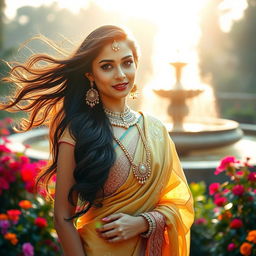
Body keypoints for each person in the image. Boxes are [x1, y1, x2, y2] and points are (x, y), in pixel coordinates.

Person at [1, 25, 194, 256]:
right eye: (107, 66)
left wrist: (144, 222)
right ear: (90, 75)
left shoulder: (156, 129)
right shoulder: (78, 131)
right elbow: (63, 218)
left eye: (127, 62)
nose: (121, 74)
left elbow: (180, 202)